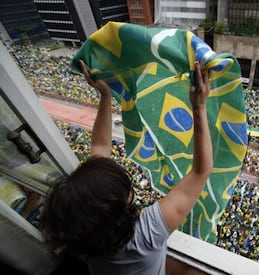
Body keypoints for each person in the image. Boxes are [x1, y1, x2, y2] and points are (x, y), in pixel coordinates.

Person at [40, 60, 213, 275]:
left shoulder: (84, 243)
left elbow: (100, 147)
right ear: (127, 199)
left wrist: (105, 97)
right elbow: (200, 171)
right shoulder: (147, 234)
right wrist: (199, 107)